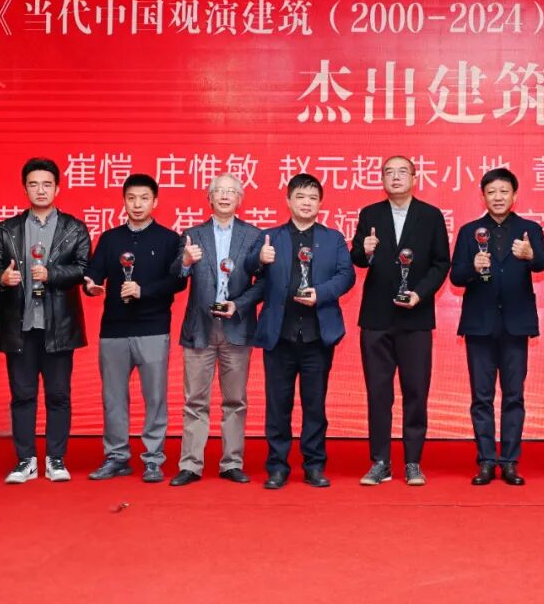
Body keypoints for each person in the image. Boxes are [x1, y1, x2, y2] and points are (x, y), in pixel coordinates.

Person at [246, 173, 356, 489]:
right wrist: (259, 259)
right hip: (279, 335)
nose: (306, 203)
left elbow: (346, 276)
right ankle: (277, 467)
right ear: (289, 201)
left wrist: (321, 293)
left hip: (317, 335)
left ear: (320, 203)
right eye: (300, 197)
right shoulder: (270, 237)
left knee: (314, 405)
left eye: (312, 198)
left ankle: (314, 465)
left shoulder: (333, 239)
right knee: (277, 405)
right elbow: (249, 271)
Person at [0, 157, 90, 484]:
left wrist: (52, 273)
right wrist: (2, 277)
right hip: (20, 325)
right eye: (34, 184)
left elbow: (84, 268)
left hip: (59, 326)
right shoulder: (7, 230)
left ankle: (55, 458)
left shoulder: (74, 228)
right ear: (25, 188)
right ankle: (26, 459)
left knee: (58, 395)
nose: (40, 190)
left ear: (57, 188)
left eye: (47, 184)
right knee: (22, 395)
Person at [351, 155, 450, 486]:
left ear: (414, 177)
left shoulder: (431, 215)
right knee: (378, 392)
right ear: (382, 179)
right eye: (389, 173)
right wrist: (365, 250)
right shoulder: (370, 214)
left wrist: (420, 294)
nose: (395, 177)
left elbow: (441, 263)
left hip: (416, 316)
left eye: (402, 172)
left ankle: (412, 461)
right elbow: (357, 258)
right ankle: (380, 461)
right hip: (376, 317)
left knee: (416, 391)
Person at [83, 174, 186, 484]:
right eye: (131, 198)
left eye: (144, 198)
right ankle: (116, 457)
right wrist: (90, 286)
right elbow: (93, 273)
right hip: (113, 329)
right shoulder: (110, 239)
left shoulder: (169, 239)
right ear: (124, 201)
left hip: (153, 328)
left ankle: (153, 459)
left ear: (155, 201)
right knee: (113, 397)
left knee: (155, 398)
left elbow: (178, 281)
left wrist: (145, 291)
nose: (137, 204)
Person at [450, 168, 544, 486]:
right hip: (479, 324)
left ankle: (509, 462)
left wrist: (531, 255)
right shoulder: (469, 231)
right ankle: (485, 461)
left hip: (516, 324)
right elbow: (455, 276)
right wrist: (472, 267)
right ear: (483, 196)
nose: (498, 197)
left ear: (514, 195)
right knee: (481, 397)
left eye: (504, 191)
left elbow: (543, 263)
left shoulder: (529, 229)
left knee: (514, 396)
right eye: (491, 192)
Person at [169, 173, 263, 486]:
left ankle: (231, 463)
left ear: (240, 199)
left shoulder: (253, 235)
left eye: (230, 191)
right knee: (195, 400)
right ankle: (190, 465)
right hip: (200, 328)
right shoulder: (192, 234)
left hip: (236, 326)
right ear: (209, 198)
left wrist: (240, 304)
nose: (224, 196)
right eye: (218, 191)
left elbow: (263, 282)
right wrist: (184, 261)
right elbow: (176, 277)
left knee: (235, 400)